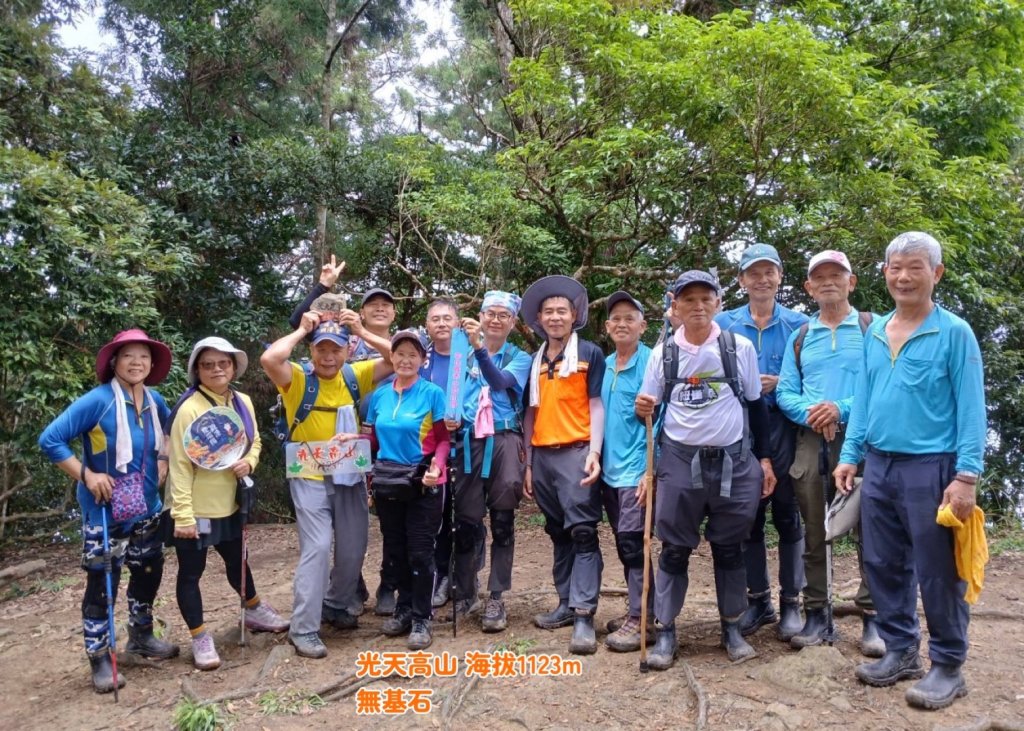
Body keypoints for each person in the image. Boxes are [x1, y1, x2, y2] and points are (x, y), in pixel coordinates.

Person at [834, 232, 986, 711]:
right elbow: (865, 397)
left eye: (914, 267)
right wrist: (850, 453)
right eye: (895, 267)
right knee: (882, 563)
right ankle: (901, 651)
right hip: (879, 465)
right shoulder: (876, 330)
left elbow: (972, 408)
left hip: (933, 469)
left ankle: (948, 665)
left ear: (935, 273)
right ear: (884, 273)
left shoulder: (954, 332)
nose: (903, 276)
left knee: (939, 571)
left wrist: (966, 476)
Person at [636, 271, 777, 668]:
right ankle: (666, 631)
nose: (697, 306)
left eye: (705, 298)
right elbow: (647, 411)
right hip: (679, 462)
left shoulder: (738, 347)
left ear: (718, 303)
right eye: (689, 299)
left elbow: (756, 406)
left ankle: (732, 627)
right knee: (674, 548)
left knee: (730, 546)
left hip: (734, 462)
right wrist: (641, 408)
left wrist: (764, 459)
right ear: (675, 305)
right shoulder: (663, 353)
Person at [39, 329, 180, 693]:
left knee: (148, 571)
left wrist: (164, 459)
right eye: (128, 355)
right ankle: (100, 655)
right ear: (114, 362)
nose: (137, 362)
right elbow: (50, 439)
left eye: (144, 356)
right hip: (105, 509)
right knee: (103, 582)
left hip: (146, 506)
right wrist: (87, 475)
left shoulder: (154, 400)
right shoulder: (97, 401)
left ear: (152, 364)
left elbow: (170, 430)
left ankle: (141, 635)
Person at [260, 310, 393, 658]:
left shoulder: (355, 374)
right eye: (322, 349)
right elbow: (270, 359)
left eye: (336, 349)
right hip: (309, 474)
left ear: (348, 350)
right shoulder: (297, 378)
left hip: (349, 473)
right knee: (318, 547)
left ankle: (334, 604)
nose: (329, 356)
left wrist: (362, 330)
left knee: (353, 547)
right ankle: (304, 627)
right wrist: (302, 329)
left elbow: (398, 358)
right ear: (312, 350)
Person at [776, 251, 884, 656]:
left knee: (870, 529)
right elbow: (785, 391)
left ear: (851, 282)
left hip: (864, 441)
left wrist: (841, 408)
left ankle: (873, 617)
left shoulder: (874, 328)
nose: (828, 282)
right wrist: (814, 412)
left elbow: (883, 383)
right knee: (814, 531)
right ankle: (816, 614)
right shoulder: (802, 336)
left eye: (836, 275)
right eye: (819, 277)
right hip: (810, 442)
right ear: (808, 287)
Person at [166, 337, 289, 671]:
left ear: (234, 367)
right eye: (208, 365)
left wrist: (250, 461)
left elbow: (255, 441)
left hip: (232, 502)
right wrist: (183, 515)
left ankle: (254, 608)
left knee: (238, 561)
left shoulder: (242, 402)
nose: (217, 369)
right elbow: (179, 465)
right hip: (196, 507)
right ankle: (199, 636)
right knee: (191, 572)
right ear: (197, 371)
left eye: (223, 363)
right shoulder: (189, 408)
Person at [715, 243, 808, 642]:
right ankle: (759, 600)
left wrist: (780, 383)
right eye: (754, 273)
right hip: (738, 430)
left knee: (788, 513)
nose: (762, 279)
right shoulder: (723, 323)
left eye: (769, 272)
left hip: (785, 427)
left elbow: (813, 376)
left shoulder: (800, 325)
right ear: (741, 280)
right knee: (747, 515)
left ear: (780, 277)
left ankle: (792, 602)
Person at [522, 275, 606, 655]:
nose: (555, 317)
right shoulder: (535, 361)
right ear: (539, 318)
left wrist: (595, 452)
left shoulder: (590, 353)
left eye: (562, 311)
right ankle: (565, 603)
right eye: (549, 312)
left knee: (583, 532)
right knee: (558, 532)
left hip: (577, 451)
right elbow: (531, 412)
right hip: (543, 455)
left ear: (575, 316)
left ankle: (585, 614)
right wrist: (528, 462)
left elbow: (596, 405)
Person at [362, 330, 451, 650]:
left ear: (423, 360)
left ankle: (421, 618)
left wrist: (438, 466)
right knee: (395, 550)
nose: (405, 360)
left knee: (421, 552)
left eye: (413, 354)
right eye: (400, 353)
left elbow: (444, 439)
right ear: (391, 357)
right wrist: (351, 441)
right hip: (388, 482)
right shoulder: (379, 396)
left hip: (424, 482)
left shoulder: (433, 393)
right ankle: (403, 609)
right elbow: (372, 440)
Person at [449, 291, 531, 631]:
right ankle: (465, 589)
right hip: (469, 441)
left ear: (513, 322)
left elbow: (499, 382)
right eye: (490, 313)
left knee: (502, 520)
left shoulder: (520, 357)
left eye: (503, 315)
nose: (496, 320)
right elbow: (452, 395)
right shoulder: (460, 356)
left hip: (504, 439)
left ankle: (496, 596)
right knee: (466, 520)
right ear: (480, 316)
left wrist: (480, 349)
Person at [599, 291, 656, 652]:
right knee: (624, 544)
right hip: (609, 471)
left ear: (642, 325)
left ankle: (642, 619)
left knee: (635, 544)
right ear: (607, 326)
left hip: (637, 469)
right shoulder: (604, 365)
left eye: (629, 318)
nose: (622, 324)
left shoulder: (653, 362)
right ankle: (640, 608)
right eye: (616, 319)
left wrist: (651, 471)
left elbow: (663, 421)